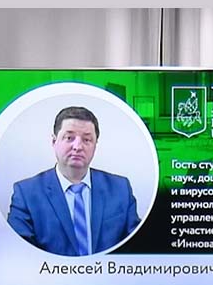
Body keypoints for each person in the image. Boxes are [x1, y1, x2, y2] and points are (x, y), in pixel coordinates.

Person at [7, 106, 140, 256]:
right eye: (69, 138)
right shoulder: (26, 193)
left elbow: (137, 249)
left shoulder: (120, 189)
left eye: (87, 139)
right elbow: (19, 253)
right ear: (54, 141)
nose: (77, 147)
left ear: (95, 145)